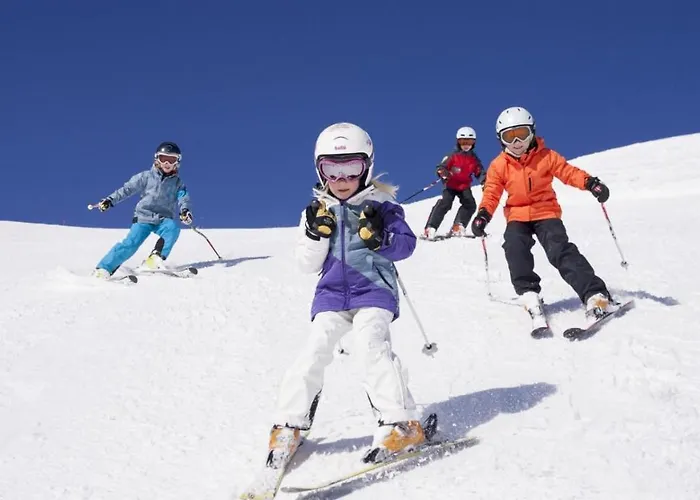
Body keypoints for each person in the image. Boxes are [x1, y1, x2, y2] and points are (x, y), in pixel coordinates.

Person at [266, 122, 425, 467]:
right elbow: (306, 264)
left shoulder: (382, 205)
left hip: (374, 289)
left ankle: (401, 423)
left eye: (351, 168)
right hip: (331, 295)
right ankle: (288, 427)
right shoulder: (315, 211)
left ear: (366, 166)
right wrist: (315, 235)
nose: (341, 179)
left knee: (371, 346)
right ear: (319, 170)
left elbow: (406, 245)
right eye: (331, 169)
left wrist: (381, 238)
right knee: (313, 352)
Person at [471, 107, 615, 333]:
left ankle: (595, 295)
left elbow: (568, 172)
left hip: (545, 212)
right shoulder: (499, 165)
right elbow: (491, 193)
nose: (517, 142)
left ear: (532, 132)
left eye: (521, 134)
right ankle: (529, 294)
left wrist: (590, 183)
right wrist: (483, 215)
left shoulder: (546, 156)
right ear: (501, 139)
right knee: (514, 245)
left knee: (559, 249)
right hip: (517, 215)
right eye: (510, 136)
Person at [92, 141, 193, 278]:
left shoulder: (177, 183)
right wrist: (110, 200)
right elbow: (127, 189)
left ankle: (154, 259)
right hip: (143, 217)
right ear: (157, 159)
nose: (167, 163)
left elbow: (183, 198)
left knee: (172, 229)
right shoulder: (146, 177)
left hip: (163, 218)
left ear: (177, 162)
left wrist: (185, 211)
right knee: (131, 244)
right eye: (163, 158)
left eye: (171, 160)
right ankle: (103, 269)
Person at [423, 126, 485, 240]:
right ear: (458, 142)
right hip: (450, 184)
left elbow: (479, 171)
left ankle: (458, 226)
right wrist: (443, 172)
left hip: (464, 186)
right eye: (463, 142)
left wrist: (484, 182)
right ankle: (430, 227)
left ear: (474, 143)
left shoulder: (474, 159)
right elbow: (441, 166)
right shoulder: (453, 155)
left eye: (469, 142)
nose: (466, 145)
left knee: (470, 204)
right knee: (445, 203)